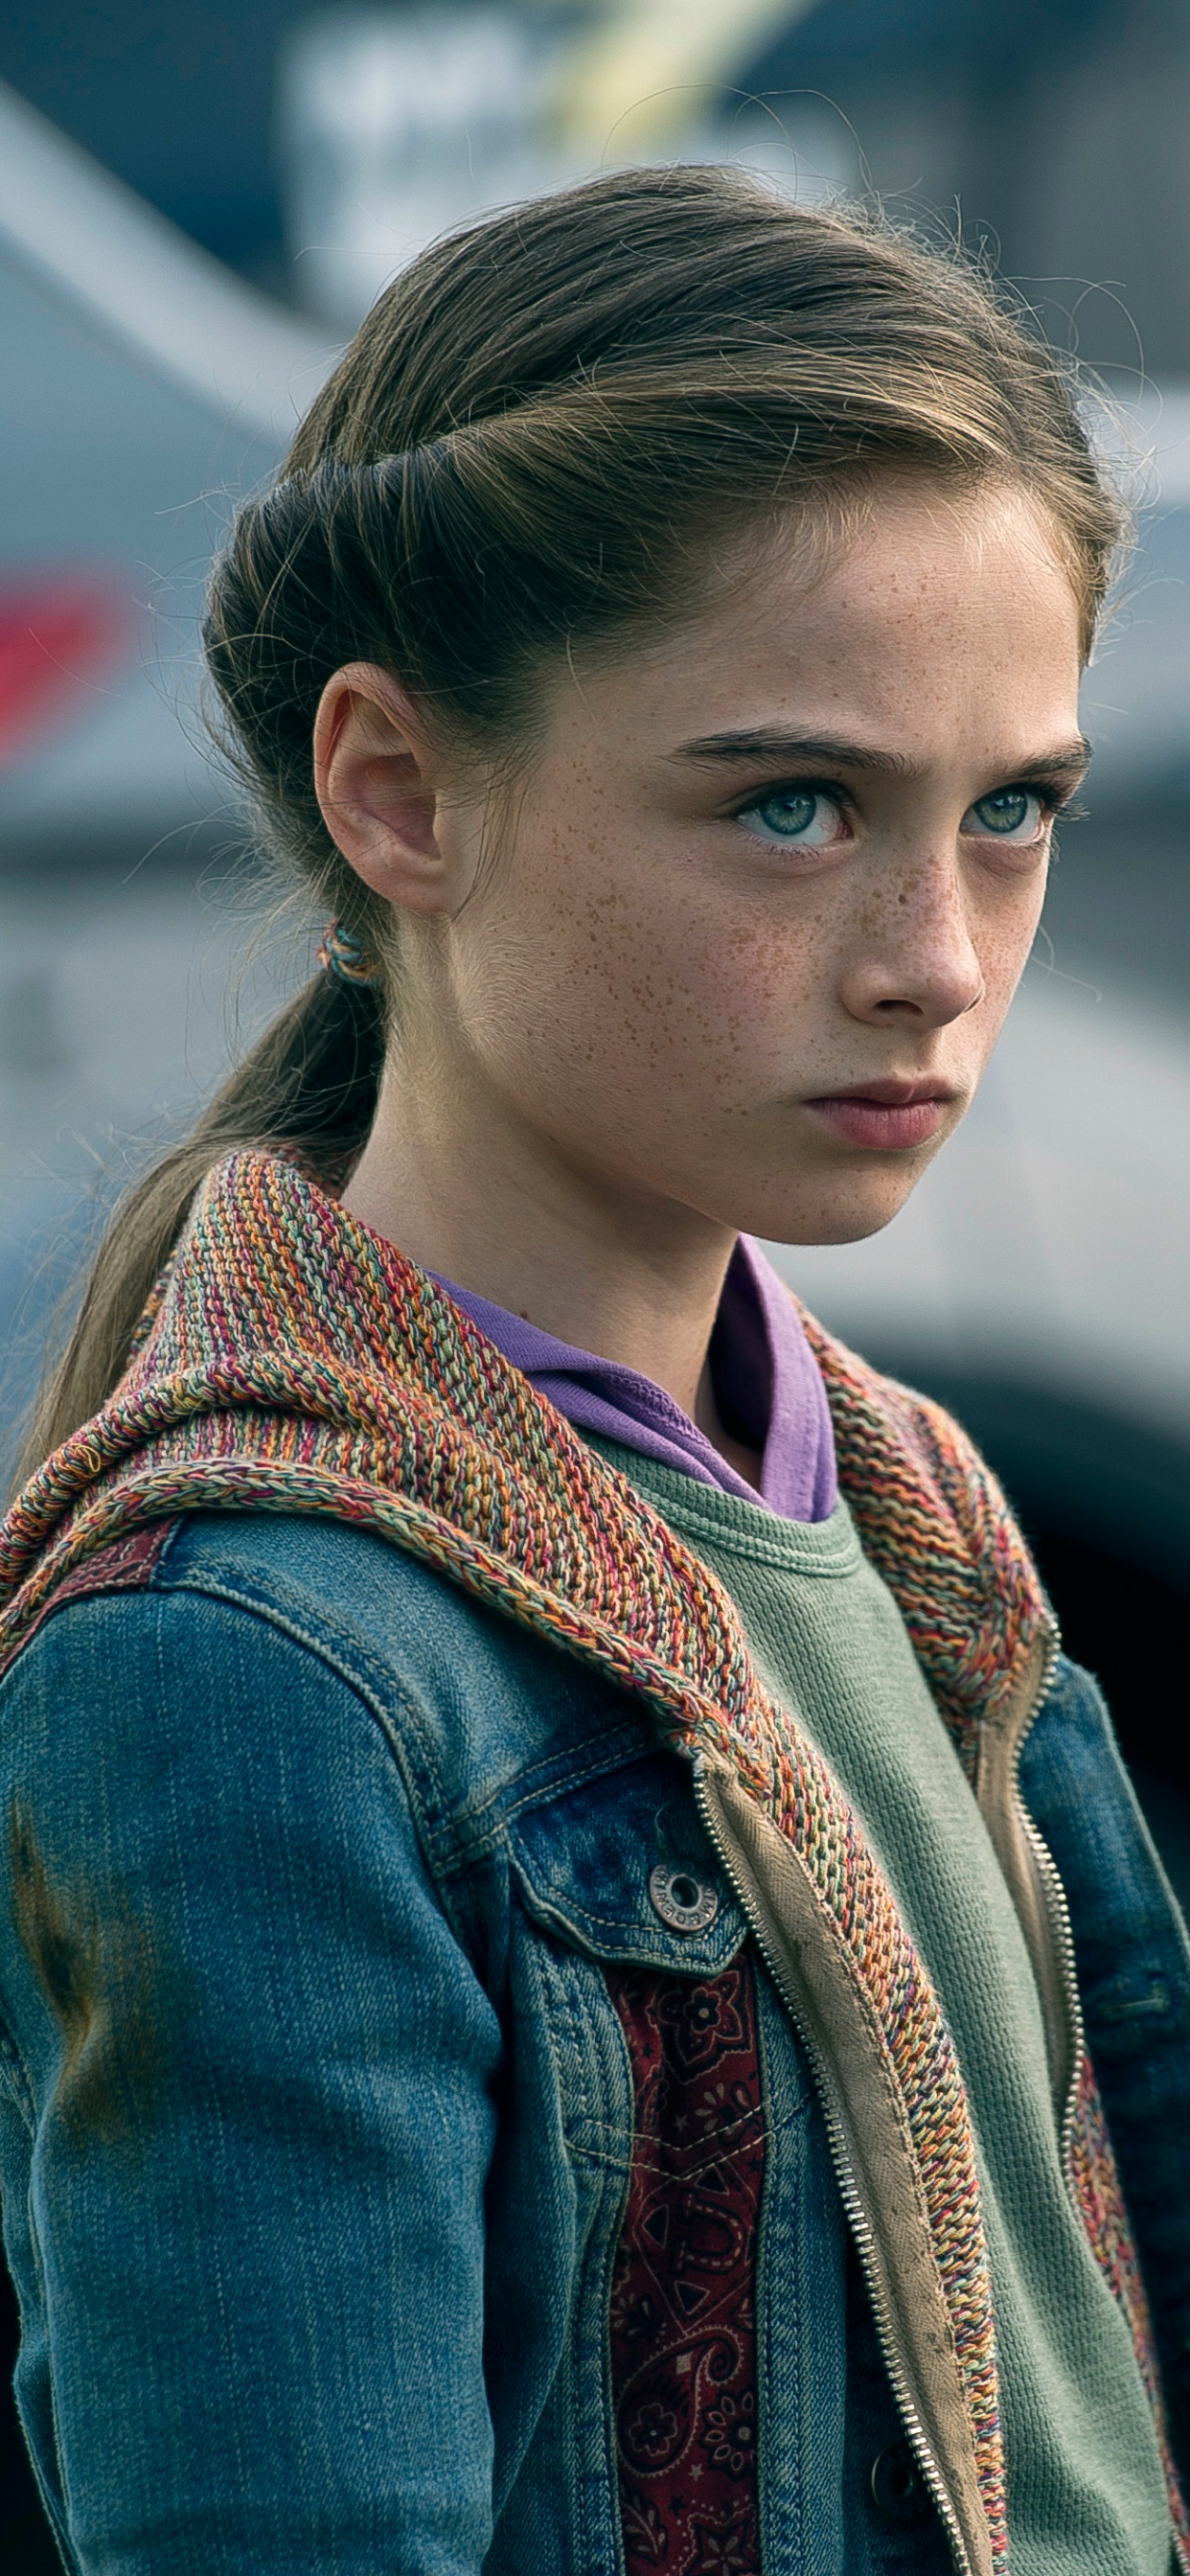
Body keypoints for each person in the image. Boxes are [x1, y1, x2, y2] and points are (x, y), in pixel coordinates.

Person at [0, 166, 1186, 2576]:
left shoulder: (914, 1508)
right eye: (789, 803)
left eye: (1013, 813)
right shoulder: (237, 1665)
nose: (936, 957)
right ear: (402, 790)